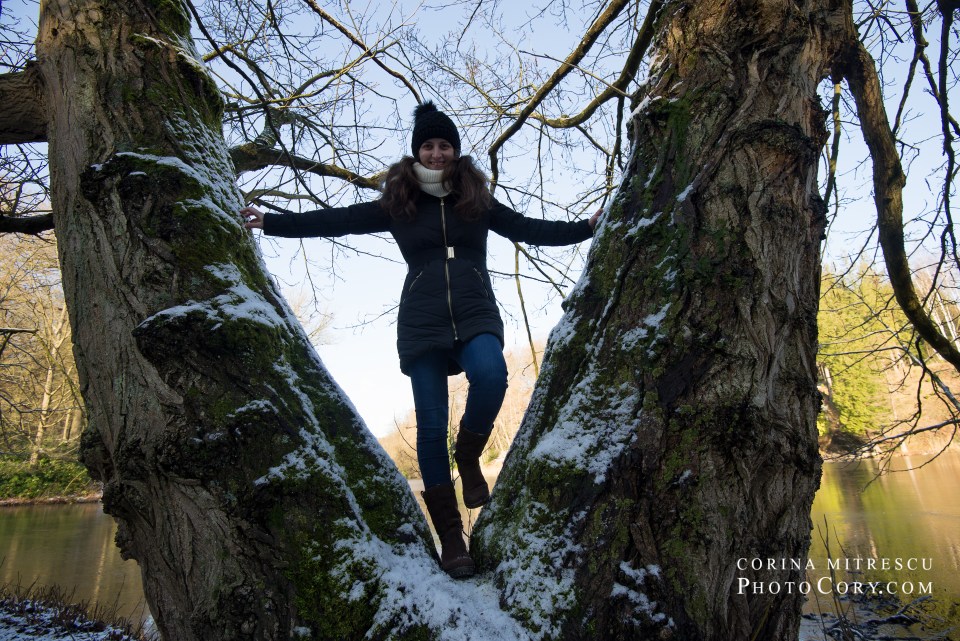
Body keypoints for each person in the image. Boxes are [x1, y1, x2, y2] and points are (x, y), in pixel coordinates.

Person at [241, 102, 600, 579]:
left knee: (492, 375)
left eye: (444, 146)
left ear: (455, 152)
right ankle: (452, 538)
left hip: (475, 314)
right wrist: (273, 221)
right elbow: (338, 219)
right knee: (430, 429)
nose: (436, 153)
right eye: (428, 146)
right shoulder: (399, 205)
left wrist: (586, 229)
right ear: (416, 152)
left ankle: (469, 455)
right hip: (422, 323)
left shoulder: (476, 200)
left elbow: (528, 228)